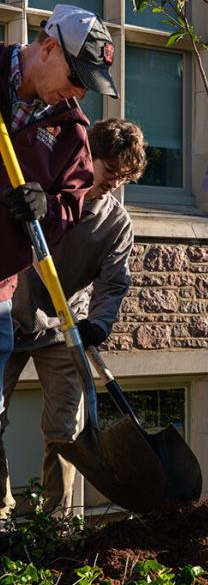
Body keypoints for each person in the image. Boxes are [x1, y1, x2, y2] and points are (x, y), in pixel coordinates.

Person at [0, 119, 146, 517]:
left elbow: (113, 284)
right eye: (110, 170)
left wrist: (99, 323)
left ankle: (57, 525)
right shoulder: (44, 193)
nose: (114, 182)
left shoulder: (116, 224)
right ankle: (1, 510)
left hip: (64, 330)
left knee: (65, 432)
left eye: (125, 177)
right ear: (87, 157)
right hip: (9, 317)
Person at [0, 3, 119, 416]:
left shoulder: (71, 135)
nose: (79, 93)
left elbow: (69, 208)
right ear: (48, 47)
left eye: (89, 86)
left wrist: (44, 206)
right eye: (76, 78)